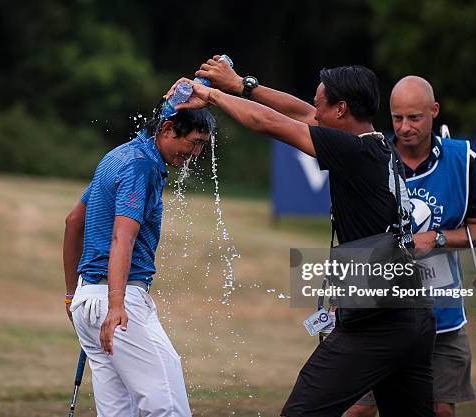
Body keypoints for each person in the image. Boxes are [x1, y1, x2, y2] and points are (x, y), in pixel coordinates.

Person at [167, 58, 436, 416]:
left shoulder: (354, 152)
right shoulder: (375, 147)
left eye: (321, 103)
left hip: (377, 323)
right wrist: (242, 87)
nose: (315, 111)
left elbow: (268, 122)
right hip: (412, 318)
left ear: (341, 110)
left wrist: (211, 95)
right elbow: (304, 114)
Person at [346, 76, 476, 417]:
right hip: (379, 311)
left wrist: (436, 237)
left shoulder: (462, 158)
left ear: (434, 112)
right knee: (361, 411)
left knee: (440, 411)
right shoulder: (374, 156)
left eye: (414, 117)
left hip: (443, 315)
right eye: (397, 118)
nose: (405, 127)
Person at [62, 106, 216, 417]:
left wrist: (71, 294)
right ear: (168, 129)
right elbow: (123, 237)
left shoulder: (119, 156)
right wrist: (116, 304)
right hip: (119, 305)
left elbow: (73, 221)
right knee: (168, 408)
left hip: (87, 302)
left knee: (119, 412)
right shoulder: (142, 166)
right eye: (195, 142)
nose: (196, 153)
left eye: (203, 145)